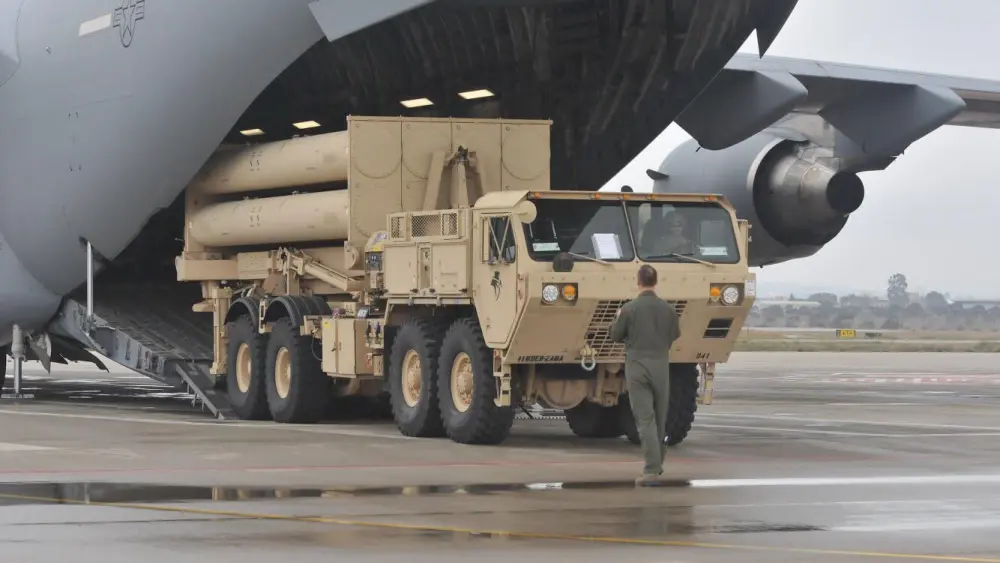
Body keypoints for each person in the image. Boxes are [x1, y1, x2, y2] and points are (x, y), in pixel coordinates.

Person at [609, 264, 681, 486]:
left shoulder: (629, 309)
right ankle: (657, 465)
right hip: (661, 364)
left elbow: (615, 335)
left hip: (637, 365)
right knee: (659, 417)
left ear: (638, 282)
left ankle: (651, 470)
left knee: (645, 418)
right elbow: (675, 334)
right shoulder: (668, 309)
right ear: (655, 282)